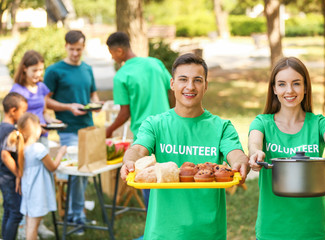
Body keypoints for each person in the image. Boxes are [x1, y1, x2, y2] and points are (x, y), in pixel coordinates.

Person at [120, 53, 249, 240]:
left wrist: (240, 162)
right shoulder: (155, 124)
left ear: (206, 86)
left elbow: (236, 154)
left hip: (207, 233)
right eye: (183, 80)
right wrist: (130, 160)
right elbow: (139, 149)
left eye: (197, 80)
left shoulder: (222, 127)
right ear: (172, 84)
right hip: (162, 232)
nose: (190, 87)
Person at [248, 57, 325, 240]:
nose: (289, 90)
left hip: (313, 231)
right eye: (282, 84)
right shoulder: (262, 123)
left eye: (296, 83)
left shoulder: (319, 123)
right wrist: (255, 153)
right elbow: (254, 143)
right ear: (274, 89)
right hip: (272, 231)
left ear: (305, 88)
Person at [105, 32, 175, 234]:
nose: (112, 57)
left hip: (144, 138)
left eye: (112, 53)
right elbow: (171, 91)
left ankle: (154, 232)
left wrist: (108, 131)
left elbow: (124, 113)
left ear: (119, 50)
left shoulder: (122, 75)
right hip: (168, 130)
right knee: (169, 178)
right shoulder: (155, 63)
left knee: (149, 181)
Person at [44, 30, 100, 235]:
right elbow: (46, 100)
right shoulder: (54, 71)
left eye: (79, 49)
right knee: (77, 173)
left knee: (85, 172)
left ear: (83, 47)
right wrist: (69, 107)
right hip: (68, 128)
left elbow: (92, 93)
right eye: (72, 49)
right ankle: (76, 216)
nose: (75, 53)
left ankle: (76, 213)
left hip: (88, 126)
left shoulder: (87, 69)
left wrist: (96, 104)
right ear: (65, 46)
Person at [10, 50, 57, 239]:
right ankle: (26, 225)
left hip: (42, 136)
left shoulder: (42, 87)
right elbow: (19, 118)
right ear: (24, 69)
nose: (38, 74)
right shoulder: (18, 90)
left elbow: (44, 111)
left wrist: (50, 122)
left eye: (41, 70)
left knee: (42, 182)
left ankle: (39, 224)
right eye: (34, 70)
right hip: (27, 141)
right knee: (30, 182)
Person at [6, 113, 67, 240]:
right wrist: (61, 153)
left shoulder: (23, 148)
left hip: (29, 193)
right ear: (36, 129)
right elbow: (53, 167)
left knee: (30, 225)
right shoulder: (38, 148)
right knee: (33, 228)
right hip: (37, 193)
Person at [0, 92, 28, 240]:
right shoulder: (11, 131)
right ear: (13, 110)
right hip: (9, 177)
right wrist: (18, 174)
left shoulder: (1, 127)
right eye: (23, 111)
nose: (24, 115)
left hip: (2, 176)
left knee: (9, 210)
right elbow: (5, 155)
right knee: (16, 212)